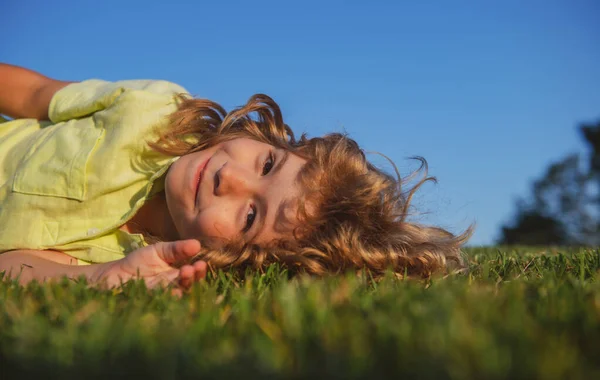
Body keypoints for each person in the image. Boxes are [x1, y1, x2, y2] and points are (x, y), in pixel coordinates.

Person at [0, 63, 472, 290]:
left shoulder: (141, 261)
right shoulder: (156, 112)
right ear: (278, 142)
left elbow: (13, 265)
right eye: (267, 165)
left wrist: (104, 277)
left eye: (250, 215)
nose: (231, 178)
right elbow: (36, 93)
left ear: (238, 258)